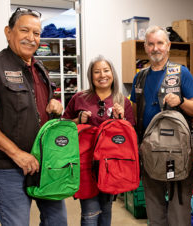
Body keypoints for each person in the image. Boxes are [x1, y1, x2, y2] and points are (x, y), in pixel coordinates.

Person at [0, 8, 67, 226]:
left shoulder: (40, 68)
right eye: (25, 30)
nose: (32, 38)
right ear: (8, 32)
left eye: (37, 33)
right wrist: (18, 155)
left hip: (44, 164)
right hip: (9, 168)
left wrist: (56, 108)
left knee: (58, 221)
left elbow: (43, 108)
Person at [130, 26, 193, 226]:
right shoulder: (140, 77)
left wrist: (180, 102)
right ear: (145, 47)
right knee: (154, 208)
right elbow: (135, 114)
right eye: (151, 44)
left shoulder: (181, 73)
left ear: (168, 46)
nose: (155, 48)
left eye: (160, 43)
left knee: (179, 210)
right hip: (150, 151)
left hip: (177, 152)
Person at [62, 55, 135, 226]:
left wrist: (121, 120)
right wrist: (78, 120)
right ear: (91, 76)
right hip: (85, 164)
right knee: (90, 212)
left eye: (106, 70)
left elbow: (130, 136)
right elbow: (63, 127)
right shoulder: (80, 98)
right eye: (97, 72)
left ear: (112, 73)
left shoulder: (122, 102)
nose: (102, 75)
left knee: (106, 210)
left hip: (111, 165)